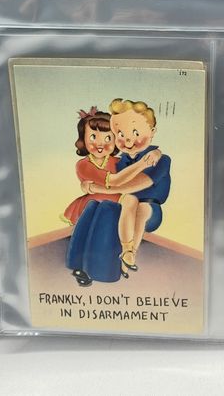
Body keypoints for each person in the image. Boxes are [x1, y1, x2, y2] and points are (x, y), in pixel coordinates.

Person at [65, 98, 171, 285]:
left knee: (132, 206)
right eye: (120, 134)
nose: (128, 139)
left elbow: (128, 185)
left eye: (135, 132)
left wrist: (96, 187)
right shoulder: (120, 162)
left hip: (148, 208)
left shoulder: (158, 159)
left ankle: (126, 255)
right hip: (117, 205)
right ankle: (81, 264)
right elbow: (117, 180)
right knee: (100, 209)